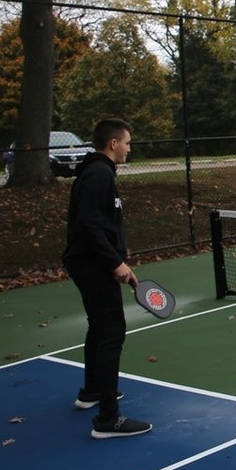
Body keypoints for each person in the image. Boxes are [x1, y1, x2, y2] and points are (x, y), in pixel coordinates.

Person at [63, 119, 151, 439]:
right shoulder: (99, 174)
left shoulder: (97, 172)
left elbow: (98, 223)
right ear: (113, 144)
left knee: (99, 327)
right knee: (112, 331)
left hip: (92, 263)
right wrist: (115, 263)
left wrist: (117, 260)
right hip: (93, 265)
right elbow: (89, 225)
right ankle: (108, 420)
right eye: (127, 142)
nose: (129, 147)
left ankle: (93, 391)